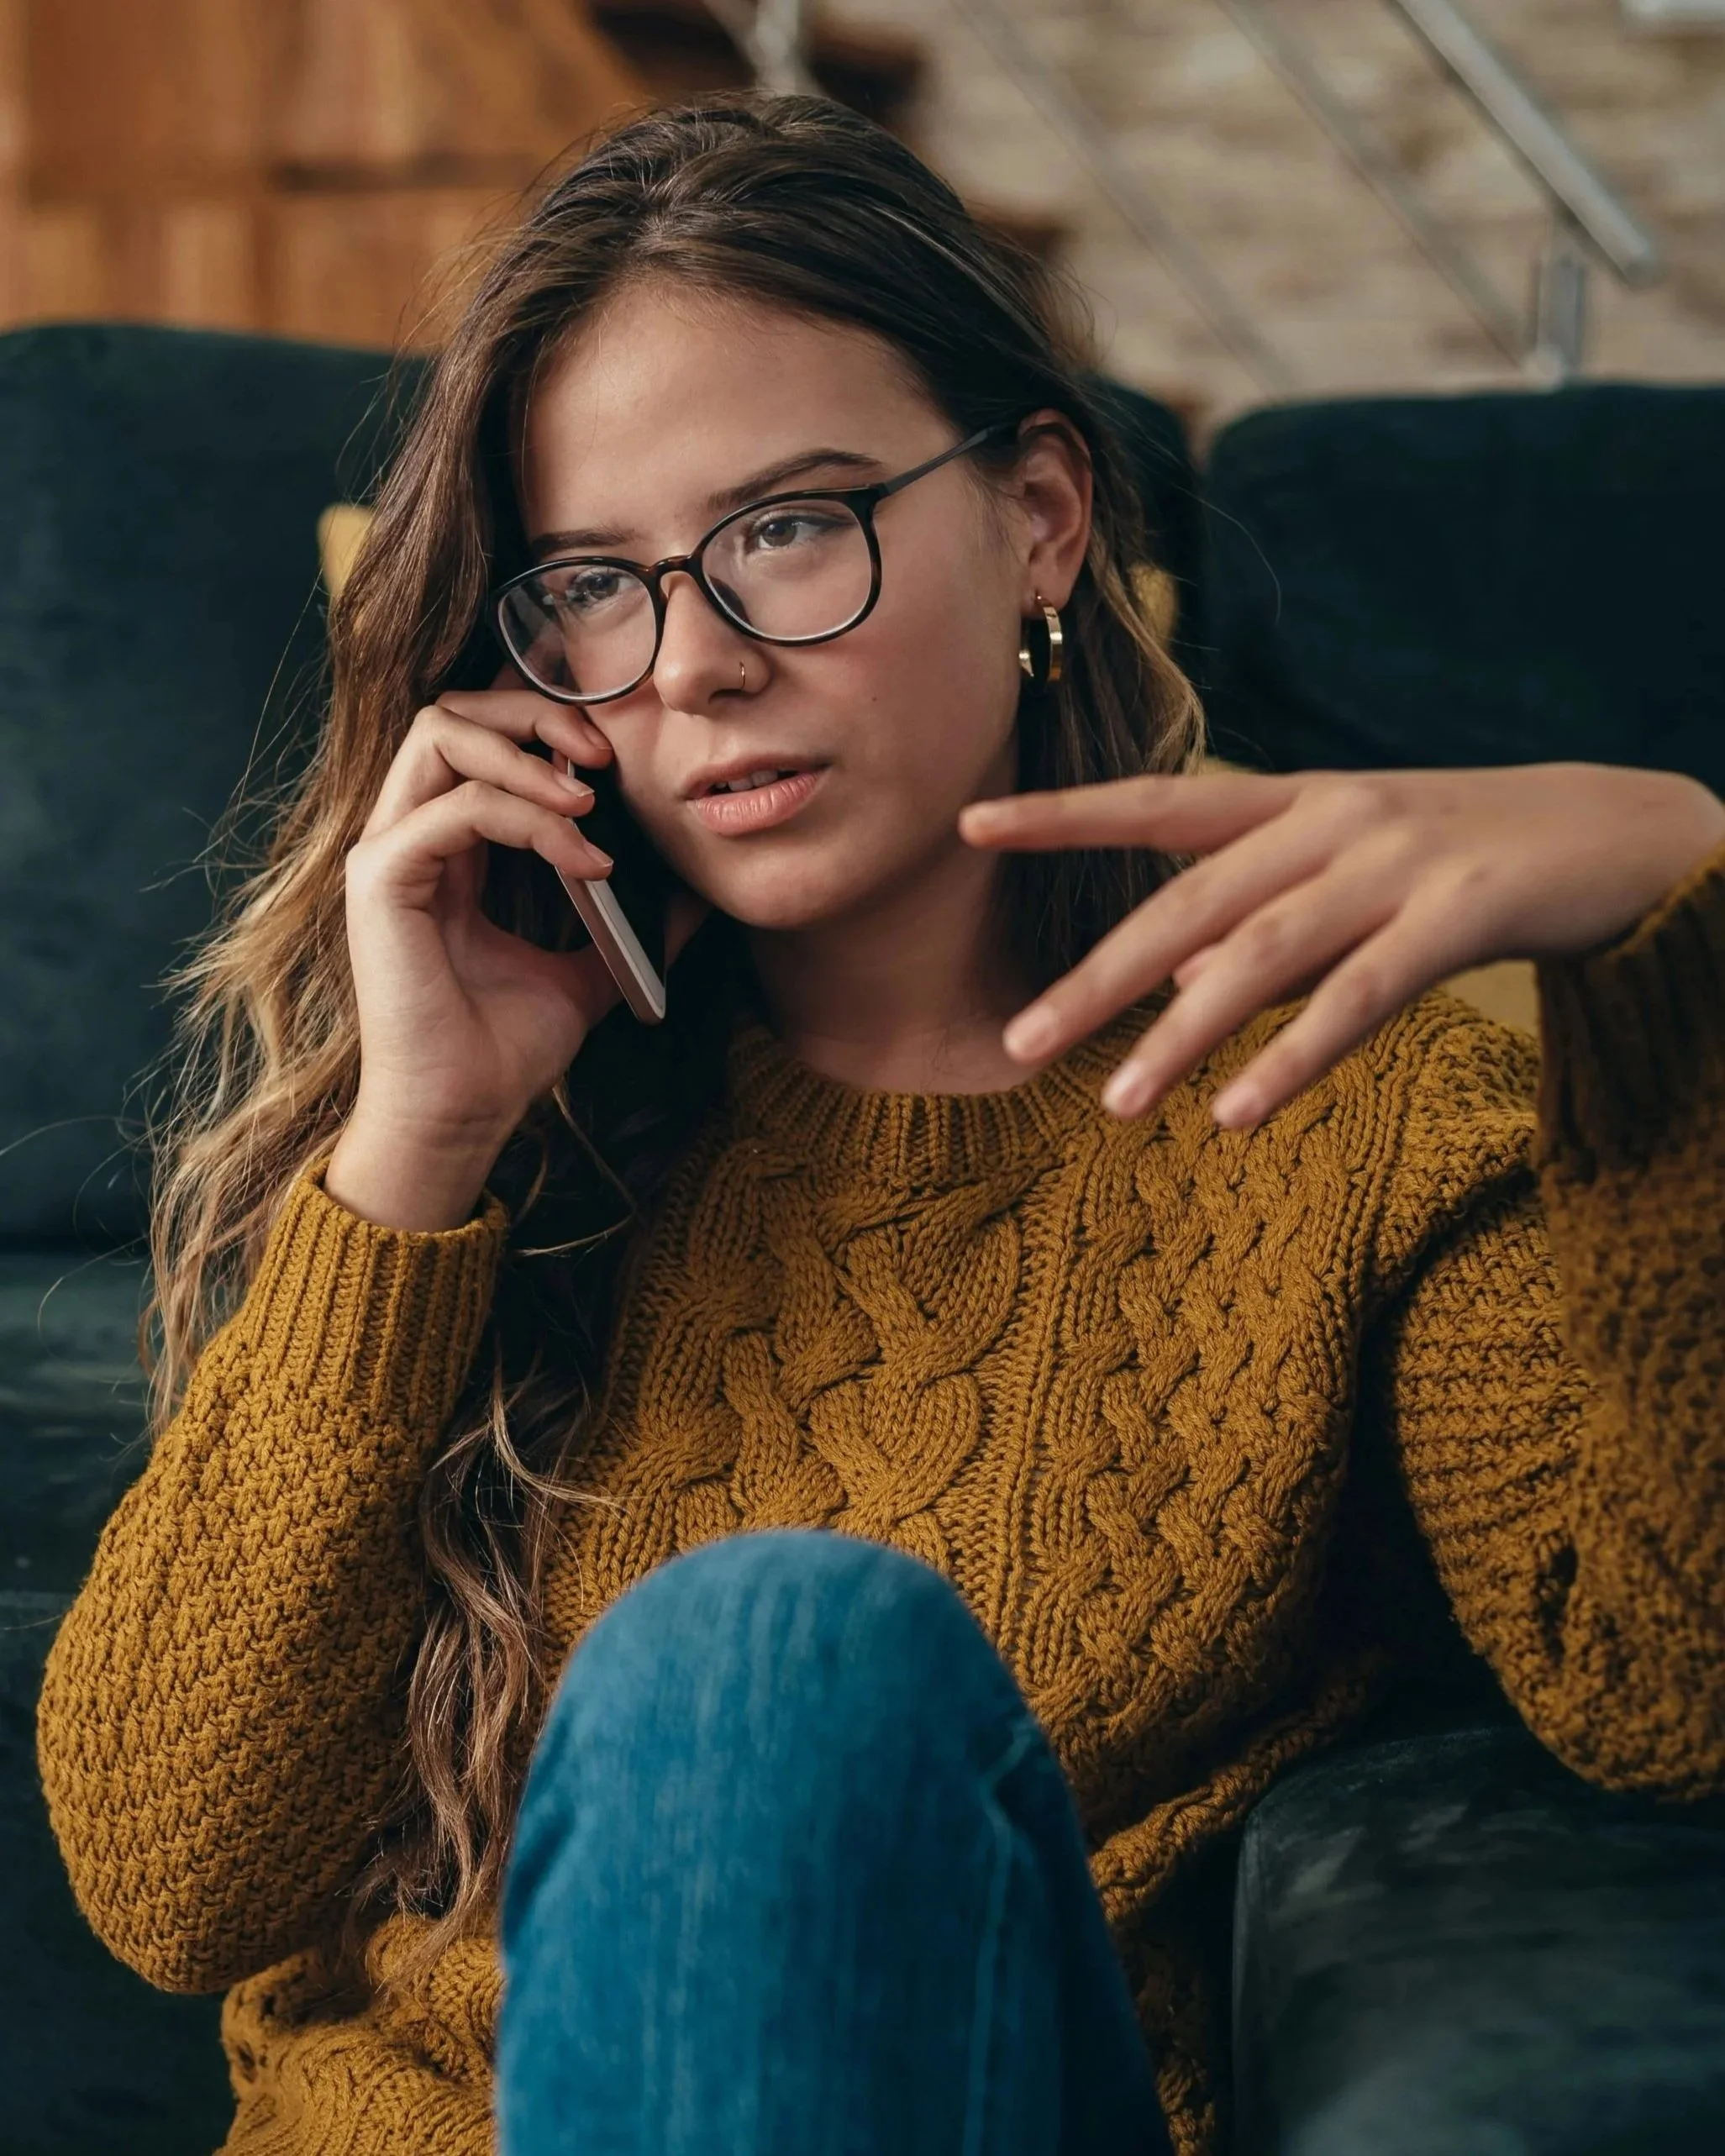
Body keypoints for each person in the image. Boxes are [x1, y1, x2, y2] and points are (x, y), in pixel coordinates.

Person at [36, 93, 1725, 2156]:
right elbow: (169, 1884)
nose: (703, 669)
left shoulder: (1347, 1114)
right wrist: (416, 1147)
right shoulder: (504, 1148)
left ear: (1039, 517)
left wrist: (1668, 908)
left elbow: (1670, 1682)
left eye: (788, 527)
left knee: (773, 1655)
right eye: (595, 581)